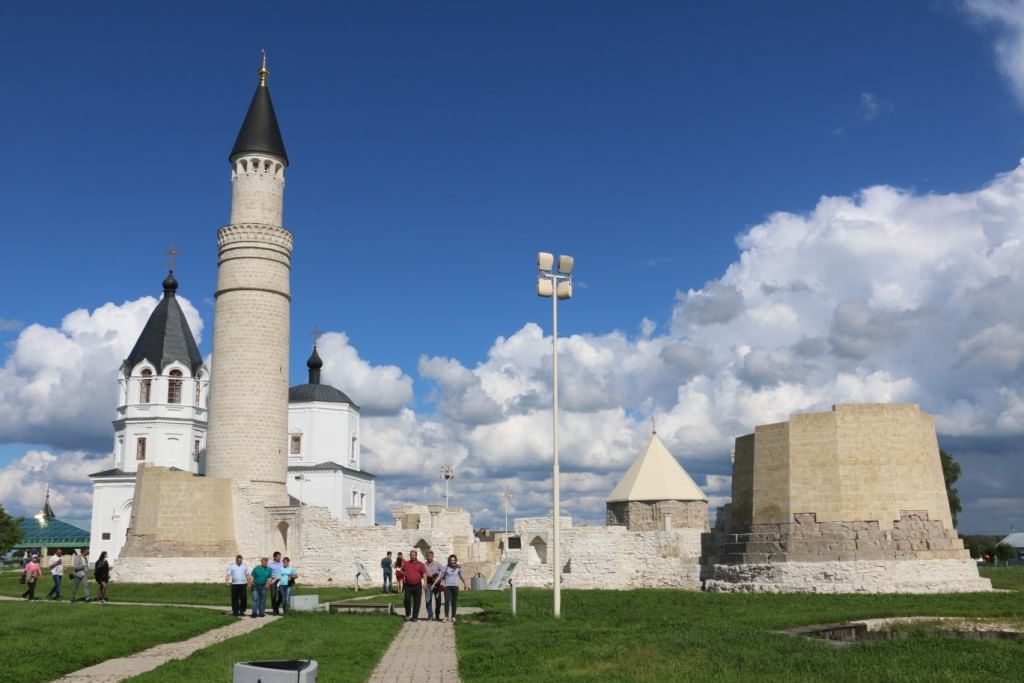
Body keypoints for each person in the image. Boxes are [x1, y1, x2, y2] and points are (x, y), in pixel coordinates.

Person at [436, 554, 469, 623]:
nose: (452, 561)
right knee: (447, 601)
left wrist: (465, 584)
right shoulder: (445, 567)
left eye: (454, 560)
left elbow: (461, 576)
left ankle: (453, 616)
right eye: (451, 560)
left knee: (454, 602)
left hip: (455, 587)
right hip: (447, 586)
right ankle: (446, 617)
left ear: (456, 561)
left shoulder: (458, 568)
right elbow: (440, 576)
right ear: (449, 560)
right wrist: (434, 583)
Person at [401, 549, 428, 622]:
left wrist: (425, 583)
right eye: (411, 555)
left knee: (417, 601)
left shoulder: (421, 564)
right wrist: (404, 574)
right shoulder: (406, 563)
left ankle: (415, 617)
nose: (412, 556)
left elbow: (424, 574)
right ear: (410, 556)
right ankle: (408, 614)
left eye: (414, 555)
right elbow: (401, 570)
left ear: (416, 556)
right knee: (407, 600)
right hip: (408, 585)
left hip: (417, 585)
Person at [423, 550, 443, 622]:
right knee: (428, 600)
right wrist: (426, 580)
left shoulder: (437, 564)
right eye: (428, 556)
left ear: (433, 556)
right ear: (426, 557)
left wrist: (439, 577)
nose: (429, 558)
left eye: (431, 556)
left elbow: (443, 570)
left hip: (437, 585)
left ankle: (437, 614)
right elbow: (422, 573)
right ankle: (430, 615)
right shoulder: (424, 565)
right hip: (428, 584)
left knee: (438, 601)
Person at [268, 551, 284, 615]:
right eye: (278, 557)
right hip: (273, 580)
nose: (280, 558)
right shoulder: (270, 564)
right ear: (274, 557)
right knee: (273, 595)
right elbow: (268, 573)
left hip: (281, 580)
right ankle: (275, 610)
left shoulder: (282, 563)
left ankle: (276, 606)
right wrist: (269, 581)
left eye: (280, 557)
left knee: (281, 595)